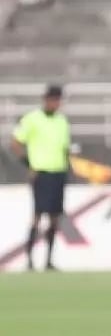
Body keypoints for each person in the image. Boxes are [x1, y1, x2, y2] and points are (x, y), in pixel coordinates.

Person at [10, 85, 71, 272]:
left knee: (55, 217)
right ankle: (29, 260)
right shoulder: (32, 119)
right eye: (52, 99)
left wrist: (68, 168)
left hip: (58, 172)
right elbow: (16, 142)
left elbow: (65, 148)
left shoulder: (62, 121)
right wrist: (28, 164)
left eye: (58, 100)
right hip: (41, 173)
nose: (55, 103)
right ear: (45, 100)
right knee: (37, 216)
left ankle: (48, 261)